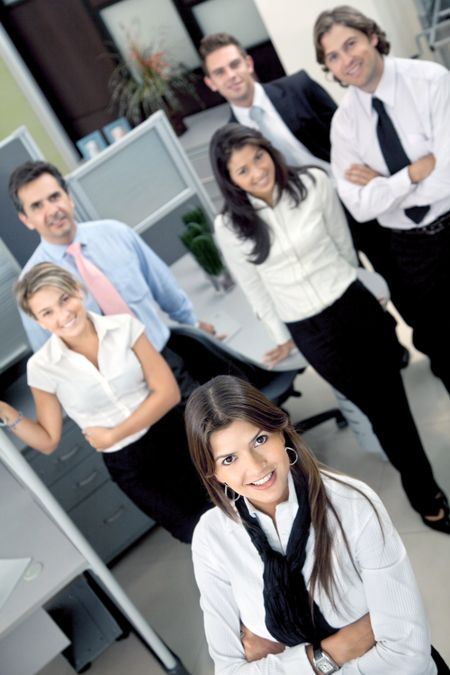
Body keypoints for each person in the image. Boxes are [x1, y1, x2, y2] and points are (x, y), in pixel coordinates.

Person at [208, 122, 449, 533]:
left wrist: (363, 287)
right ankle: (424, 490)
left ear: (269, 151)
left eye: (258, 158)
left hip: (350, 302)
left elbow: (342, 245)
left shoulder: (313, 183)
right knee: (381, 411)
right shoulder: (231, 226)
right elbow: (256, 288)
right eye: (242, 170)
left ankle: (422, 487)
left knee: (391, 401)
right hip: (311, 329)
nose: (256, 172)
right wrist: (281, 337)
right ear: (229, 180)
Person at [186, 375, 449, 673]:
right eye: (230, 459)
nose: (255, 466)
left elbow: (407, 656)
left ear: (280, 432)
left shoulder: (353, 505)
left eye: (260, 440)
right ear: (214, 473)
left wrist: (283, 662)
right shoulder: (211, 536)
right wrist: (337, 650)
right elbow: (230, 670)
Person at [0, 263, 209, 542]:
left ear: (78, 290)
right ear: (38, 321)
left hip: (178, 435)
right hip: (133, 467)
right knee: (198, 537)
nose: (63, 315)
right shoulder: (43, 368)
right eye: (47, 312)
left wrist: (113, 434)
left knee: (238, 509)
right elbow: (48, 440)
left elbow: (168, 393)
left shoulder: (124, 327)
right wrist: (3, 410)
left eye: (64, 299)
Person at [314, 6, 450, 393]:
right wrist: (408, 175)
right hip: (409, 249)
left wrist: (383, 186)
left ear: (372, 36)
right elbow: (358, 206)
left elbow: (447, 176)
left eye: (350, 43)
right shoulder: (345, 124)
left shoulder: (431, 81)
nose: (346, 60)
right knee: (441, 343)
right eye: (333, 56)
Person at [8, 160, 218, 401]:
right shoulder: (31, 285)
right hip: (114, 394)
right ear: (26, 219)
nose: (52, 210)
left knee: (207, 430)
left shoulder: (117, 233)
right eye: (37, 206)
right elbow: (49, 356)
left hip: (165, 359)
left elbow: (164, 287)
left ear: (69, 196)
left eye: (55, 197)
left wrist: (193, 323)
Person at [199, 32, 395, 288]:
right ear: (211, 82)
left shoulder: (299, 87)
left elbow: (354, 135)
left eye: (235, 65)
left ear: (248, 63)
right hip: (310, 228)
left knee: (399, 278)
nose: (231, 75)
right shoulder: (228, 143)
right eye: (220, 72)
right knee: (354, 298)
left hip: (352, 197)